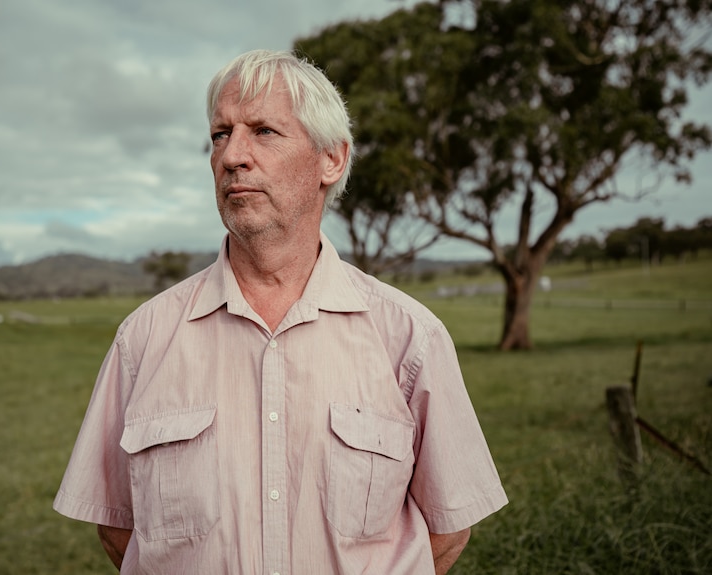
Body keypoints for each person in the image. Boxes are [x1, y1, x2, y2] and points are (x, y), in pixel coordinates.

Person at [54, 49, 508, 575]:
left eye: (263, 131)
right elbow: (117, 527)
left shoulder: (410, 338)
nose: (231, 156)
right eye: (220, 134)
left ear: (331, 159)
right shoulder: (143, 339)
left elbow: (447, 531)